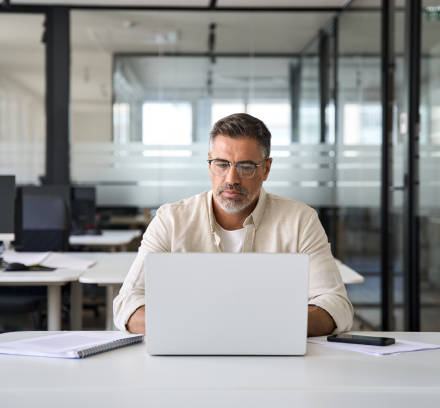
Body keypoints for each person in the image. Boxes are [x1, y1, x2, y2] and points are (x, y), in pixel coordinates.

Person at [113, 113, 354, 336]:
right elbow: (127, 305)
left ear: (266, 169)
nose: (231, 179)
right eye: (221, 164)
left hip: (273, 359)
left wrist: (253, 327)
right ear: (209, 164)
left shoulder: (300, 220)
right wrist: (211, 325)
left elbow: (336, 306)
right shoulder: (171, 220)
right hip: (188, 358)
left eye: (246, 167)